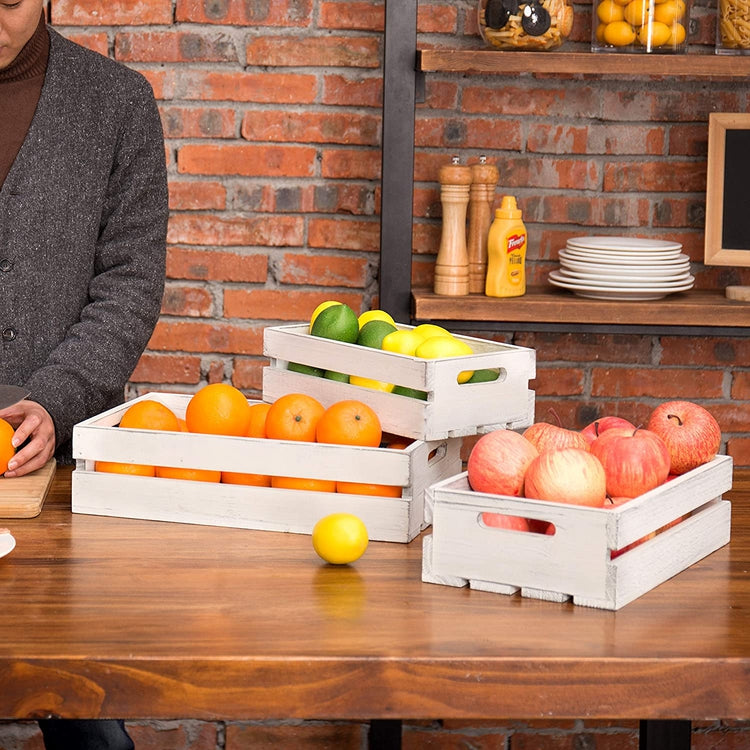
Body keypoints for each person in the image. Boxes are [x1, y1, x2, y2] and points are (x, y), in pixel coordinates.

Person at [0, 0, 168, 747]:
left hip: (66, 466)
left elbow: (131, 284)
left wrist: (55, 399)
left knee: (86, 717)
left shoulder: (117, 102)